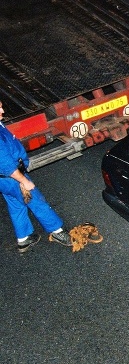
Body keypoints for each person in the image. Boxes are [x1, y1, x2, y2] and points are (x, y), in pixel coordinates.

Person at [0, 101, 72, 253]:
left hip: (4, 181)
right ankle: (57, 231)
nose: (2, 110)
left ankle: (24, 238)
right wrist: (24, 181)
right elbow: (6, 166)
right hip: (12, 178)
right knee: (36, 200)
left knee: (16, 204)